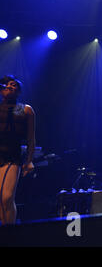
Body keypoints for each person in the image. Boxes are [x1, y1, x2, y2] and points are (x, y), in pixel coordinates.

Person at [0, 75, 36, 225]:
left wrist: (29, 161)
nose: (9, 86)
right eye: (7, 84)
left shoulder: (26, 110)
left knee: (6, 197)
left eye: (13, 85)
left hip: (12, 156)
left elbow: (31, 139)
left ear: (18, 90)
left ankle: (11, 233)